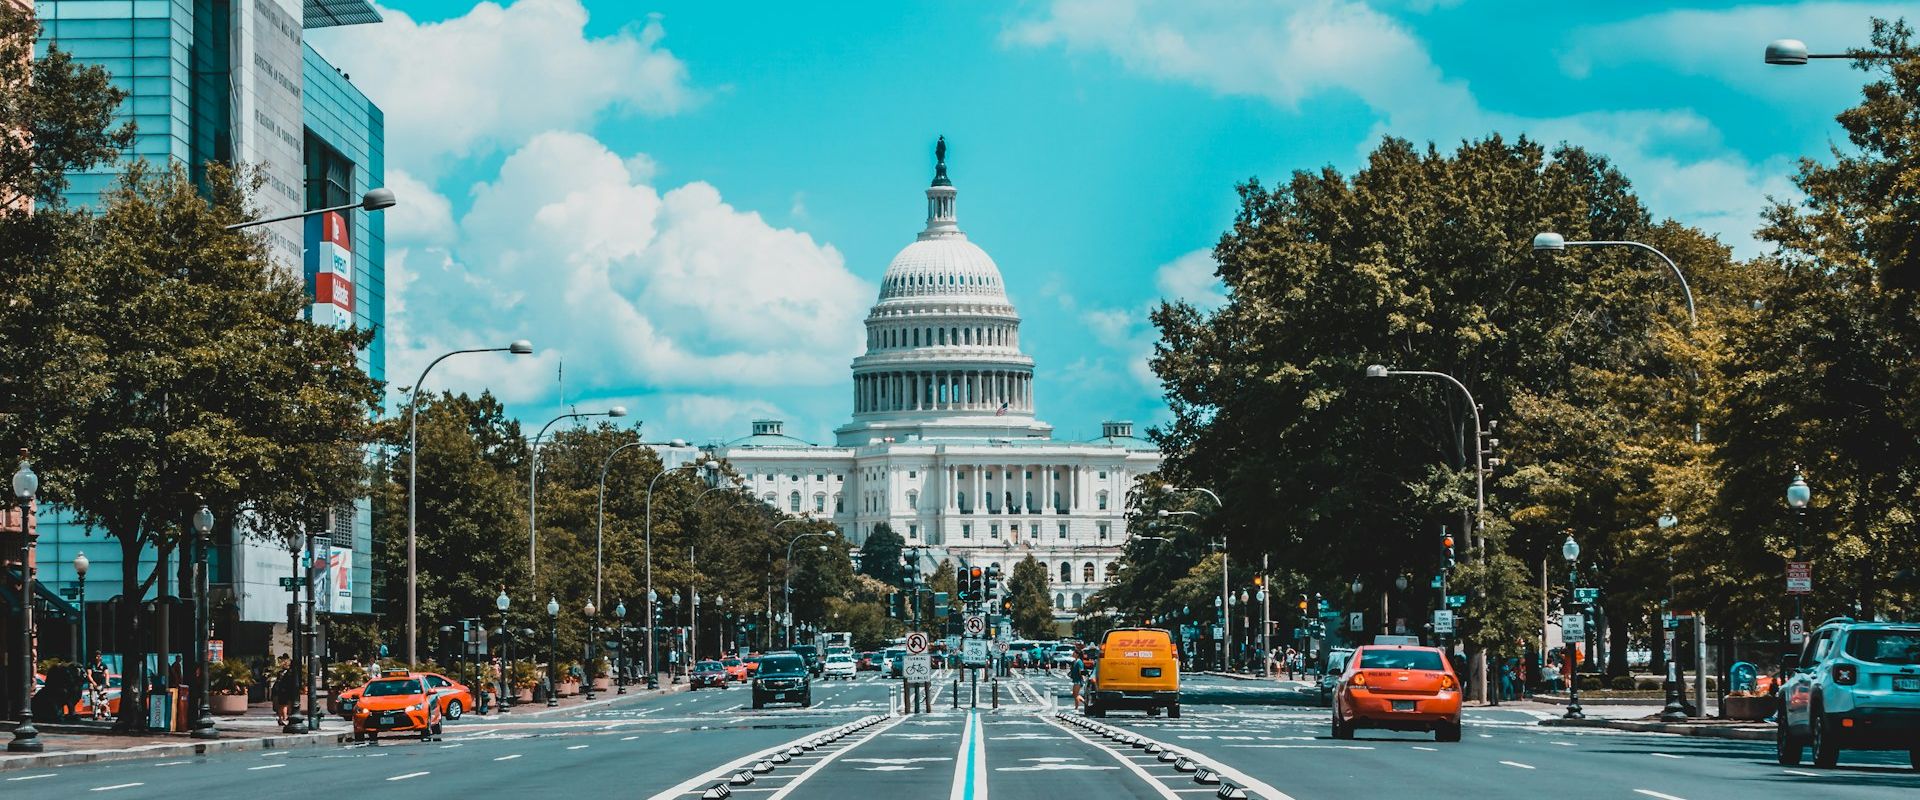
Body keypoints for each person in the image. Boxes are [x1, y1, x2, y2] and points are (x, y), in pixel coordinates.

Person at [270, 654, 299, 725]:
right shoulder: (289, 673)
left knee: (282, 705)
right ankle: (284, 718)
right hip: (285, 691)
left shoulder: (283, 672)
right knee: (284, 705)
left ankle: (282, 718)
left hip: (281, 690)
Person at [87, 651, 110, 720]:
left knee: (103, 700)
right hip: (93, 683)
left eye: (99, 656)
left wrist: (107, 682)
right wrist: (93, 683)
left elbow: (107, 674)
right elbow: (89, 675)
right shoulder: (91, 664)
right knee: (93, 700)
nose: (98, 657)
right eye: (97, 656)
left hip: (101, 684)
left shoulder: (103, 665)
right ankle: (95, 714)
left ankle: (103, 713)